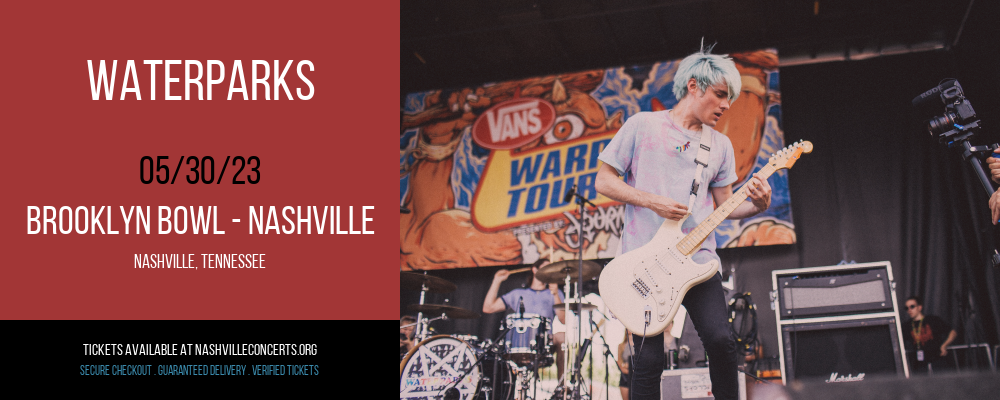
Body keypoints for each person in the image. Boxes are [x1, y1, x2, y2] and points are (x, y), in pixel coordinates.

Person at [595, 46, 772, 400]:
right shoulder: (642, 125)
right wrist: (651, 200)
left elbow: (726, 207)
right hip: (643, 264)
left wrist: (756, 205)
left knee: (722, 342)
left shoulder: (719, 145)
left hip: (698, 261)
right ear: (694, 86)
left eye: (730, 98)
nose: (725, 105)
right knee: (647, 361)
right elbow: (604, 181)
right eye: (720, 94)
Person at [483, 258, 567, 378]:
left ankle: (561, 386)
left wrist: (555, 294)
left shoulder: (555, 294)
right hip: (518, 341)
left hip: (544, 342)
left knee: (562, 337)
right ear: (534, 269)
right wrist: (497, 281)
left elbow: (563, 320)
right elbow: (488, 308)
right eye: (546, 267)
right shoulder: (517, 293)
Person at [903, 295, 957, 374]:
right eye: (906, 308)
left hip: (938, 361)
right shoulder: (906, 326)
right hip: (920, 365)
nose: (909, 310)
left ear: (920, 307)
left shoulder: (933, 320)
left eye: (912, 306)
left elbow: (953, 332)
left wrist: (944, 345)